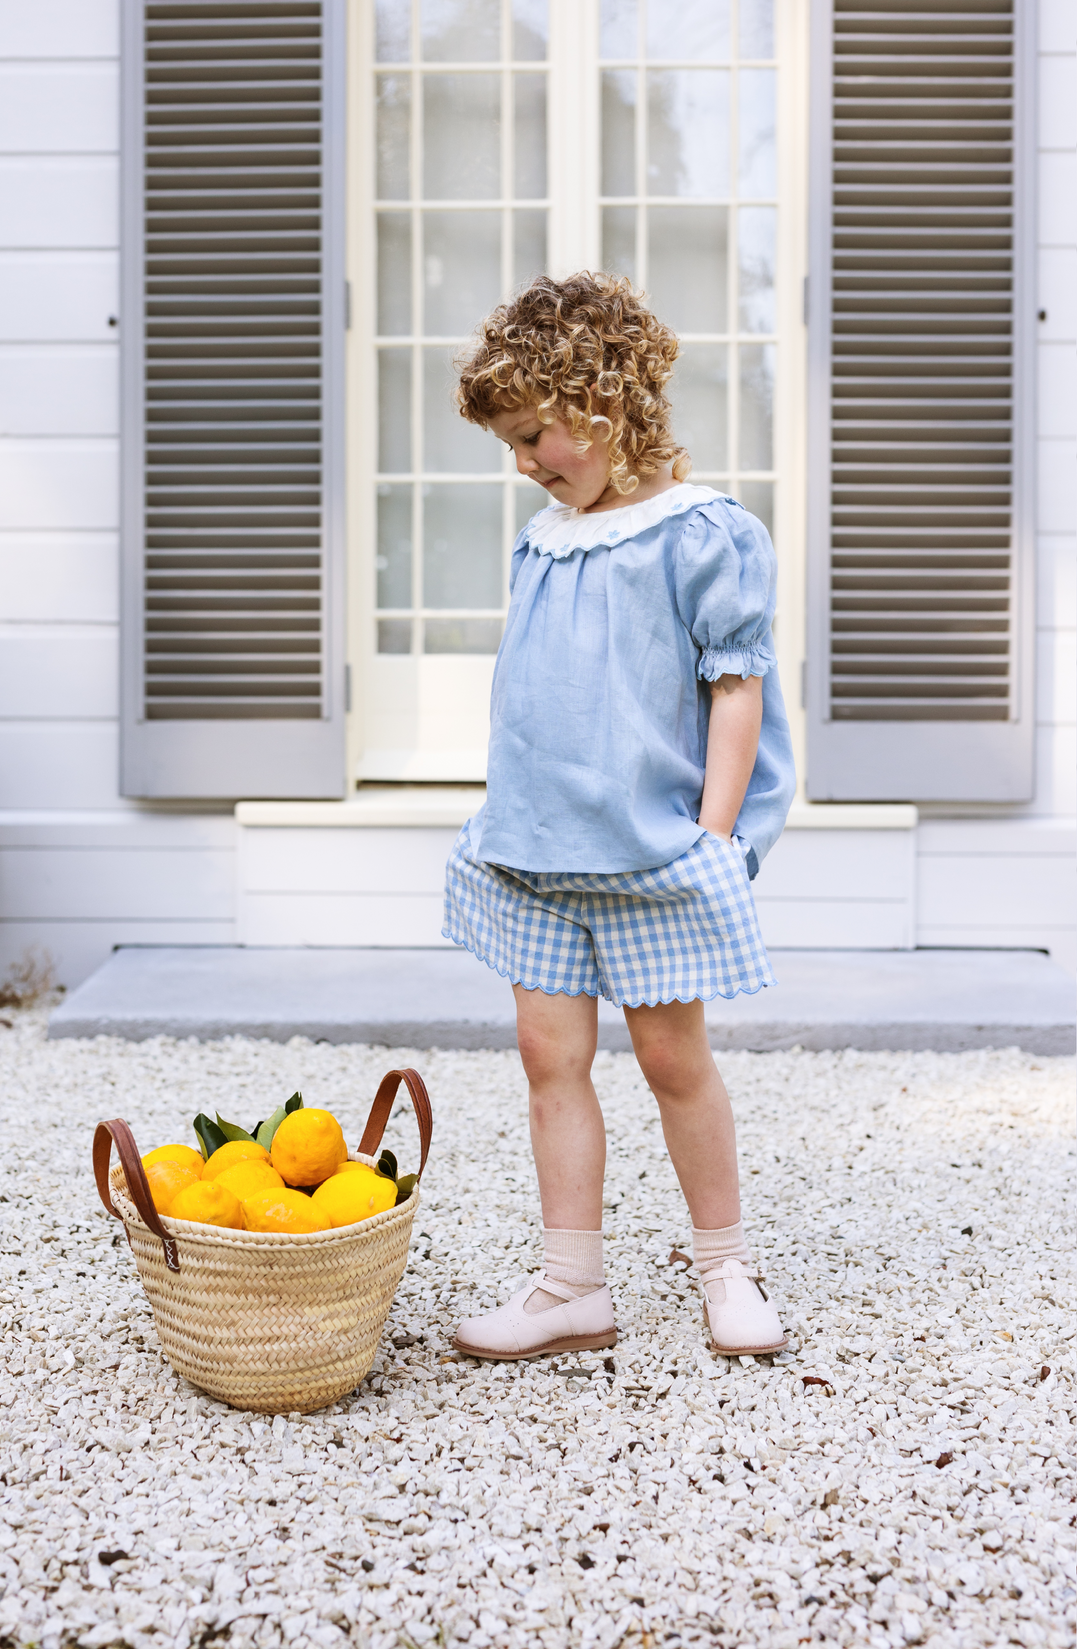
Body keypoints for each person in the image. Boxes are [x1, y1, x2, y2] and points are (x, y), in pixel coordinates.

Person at [441, 272, 795, 1361]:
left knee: (672, 1060)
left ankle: (724, 1265)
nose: (525, 463)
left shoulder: (700, 533)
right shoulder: (545, 537)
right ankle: (569, 1285)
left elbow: (733, 684)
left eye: (535, 433)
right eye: (510, 444)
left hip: (650, 848)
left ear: (602, 401)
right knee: (548, 1057)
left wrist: (713, 835)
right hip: (538, 848)